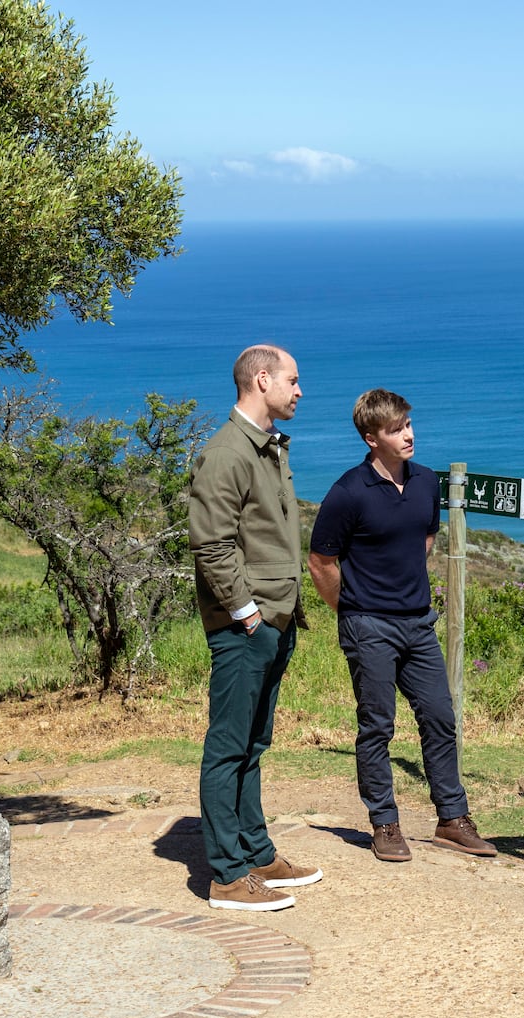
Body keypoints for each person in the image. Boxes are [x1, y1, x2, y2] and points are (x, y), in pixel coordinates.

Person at [307, 389, 496, 863]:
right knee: (378, 726)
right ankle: (385, 824)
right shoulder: (348, 492)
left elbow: (425, 539)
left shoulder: (427, 482)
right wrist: (350, 610)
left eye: (409, 424)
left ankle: (452, 820)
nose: (408, 434)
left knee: (440, 717)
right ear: (372, 439)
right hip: (368, 625)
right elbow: (320, 561)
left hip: (418, 623)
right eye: (396, 429)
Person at [189, 343, 322, 912]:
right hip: (249, 623)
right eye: (292, 380)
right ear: (261, 380)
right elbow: (212, 544)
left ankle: (255, 852)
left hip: (274, 616)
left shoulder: (266, 447)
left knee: (254, 742)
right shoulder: (227, 453)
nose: (299, 390)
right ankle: (225, 875)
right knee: (228, 745)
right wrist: (247, 613)